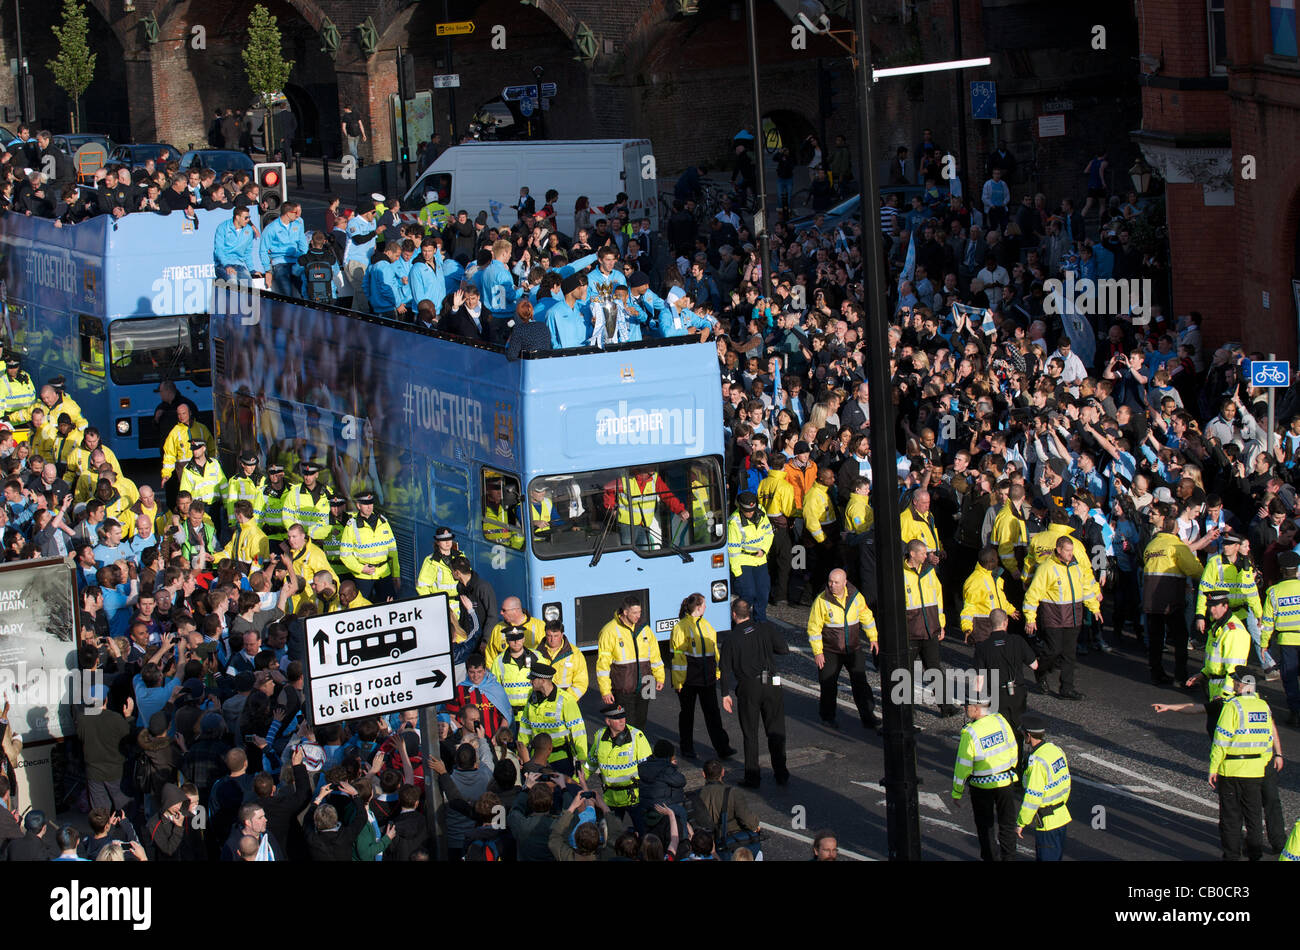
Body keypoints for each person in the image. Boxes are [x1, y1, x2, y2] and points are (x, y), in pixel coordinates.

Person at [1209, 667, 1279, 861]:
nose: (1234, 684)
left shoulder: (1232, 706)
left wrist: (1213, 768)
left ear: (1242, 684)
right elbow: (1268, 740)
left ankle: (1232, 856)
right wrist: (1261, 763)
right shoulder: (1263, 706)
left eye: (1236, 681)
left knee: (1231, 818)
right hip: (1255, 771)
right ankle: (1254, 855)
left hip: (1231, 770)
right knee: (1254, 816)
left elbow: (1221, 741)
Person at [720, 598, 789, 789]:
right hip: (772, 683)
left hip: (749, 687)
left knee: (750, 733)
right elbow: (783, 649)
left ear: (734, 615)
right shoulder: (765, 629)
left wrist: (725, 694)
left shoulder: (731, 639)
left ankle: (753, 776)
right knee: (775, 729)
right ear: (749, 612)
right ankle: (781, 772)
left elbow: (724, 669)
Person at [1022, 536, 1100, 700]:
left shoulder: (1075, 567)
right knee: (1053, 650)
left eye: (1072, 550)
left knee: (1069, 654)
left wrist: (1094, 608)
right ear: (1058, 550)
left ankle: (1067, 688)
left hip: (1073, 616)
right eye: (1067, 550)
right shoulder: (1047, 568)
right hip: (1053, 616)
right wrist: (1030, 618)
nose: (1071, 554)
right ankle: (1040, 671)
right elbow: (1033, 594)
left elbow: (1085, 588)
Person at [807, 568, 880, 730]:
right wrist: (818, 652)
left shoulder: (855, 597)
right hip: (830, 650)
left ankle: (868, 716)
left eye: (836, 582)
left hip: (853, 648)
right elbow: (814, 628)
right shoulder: (821, 600)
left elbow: (866, 616)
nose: (832, 585)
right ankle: (828, 717)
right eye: (830, 582)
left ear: (845, 583)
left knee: (860, 683)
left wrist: (873, 637)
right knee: (828, 684)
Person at [951, 694, 1019, 861]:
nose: (965, 709)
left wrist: (957, 791)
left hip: (981, 787)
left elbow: (963, 766)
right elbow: (1013, 748)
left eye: (967, 705)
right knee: (1008, 825)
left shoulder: (970, 732)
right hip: (1005, 783)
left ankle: (990, 858)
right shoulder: (1001, 720)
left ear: (976, 707)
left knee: (985, 827)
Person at [1144, 506, 1205, 684]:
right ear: (1176, 529)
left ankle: (1156, 673)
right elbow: (1194, 569)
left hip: (1151, 599)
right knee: (1180, 637)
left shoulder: (1152, 544)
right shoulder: (1177, 546)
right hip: (1171, 600)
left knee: (1156, 638)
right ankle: (1180, 674)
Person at [670, 592, 734, 759]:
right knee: (687, 715)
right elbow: (677, 658)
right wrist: (678, 682)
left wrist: (717, 671)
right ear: (698, 608)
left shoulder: (706, 625)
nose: (706, 607)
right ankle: (687, 748)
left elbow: (714, 651)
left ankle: (723, 747)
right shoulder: (680, 628)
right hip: (688, 681)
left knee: (713, 714)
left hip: (707, 679)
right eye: (704, 604)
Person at [971, 608, 1038, 755]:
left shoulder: (982, 647)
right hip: (1017, 692)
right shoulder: (1017, 641)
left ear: (990, 623)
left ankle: (1002, 763)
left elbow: (979, 682)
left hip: (996, 695)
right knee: (1018, 730)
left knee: (999, 731)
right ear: (1006, 622)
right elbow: (1034, 665)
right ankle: (1017, 767)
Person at [903, 540, 957, 716]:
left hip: (929, 629)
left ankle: (946, 706)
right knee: (906, 673)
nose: (926, 556)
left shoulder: (929, 572)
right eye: (923, 553)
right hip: (910, 632)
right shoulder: (900, 574)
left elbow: (938, 598)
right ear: (912, 554)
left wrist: (940, 623)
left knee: (934, 669)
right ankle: (907, 711)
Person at [595, 595, 664, 730]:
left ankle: (639, 750)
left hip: (646, 684)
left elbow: (655, 655)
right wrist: (605, 691)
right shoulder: (609, 631)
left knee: (642, 722)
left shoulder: (644, 629)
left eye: (639, 612)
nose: (638, 616)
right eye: (634, 613)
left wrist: (660, 677)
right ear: (625, 612)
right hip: (623, 688)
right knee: (628, 725)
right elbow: (603, 665)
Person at [1187, 592, 1252, 736]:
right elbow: (1215, 658)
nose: (1212, 610)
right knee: (1213, 731)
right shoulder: (1217, 625)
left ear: (1225, 605)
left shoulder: (1233, 631)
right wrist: (1203, 673)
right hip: (1214, 689)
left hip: (1225, 695)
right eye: (1210, 606)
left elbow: (1234, 669)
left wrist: (1224, 695)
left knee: (1222, 736)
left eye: (1215, 606)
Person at [586, 703, 653, 828]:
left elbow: (648, 769)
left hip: (634, 799)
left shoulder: (636, 736)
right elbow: (590, 764)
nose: (622, 721)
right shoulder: (599, 736)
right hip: (611, 799)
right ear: (608, 721)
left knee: (643, 833)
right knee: (613, 837)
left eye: (623, 717)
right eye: (617, 718)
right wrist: (575, 781)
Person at [516, 662, 587, 777]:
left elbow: (578, 731)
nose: (530, 682)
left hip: (560, 758)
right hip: (537, 758)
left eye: (533, 679)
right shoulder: (531, 698)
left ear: (543, 680)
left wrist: (581, 758)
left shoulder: (566, 700)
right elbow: (525, 728)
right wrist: (520, 752)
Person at [1016, 716, 1072, 861]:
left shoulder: (1037, 762)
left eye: (1023, 734)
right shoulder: (1056, 750)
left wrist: (1022, 822)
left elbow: (1032, 797)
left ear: (1028, 735)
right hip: (1062, 816)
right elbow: (1066, 782)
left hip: (1047, 824)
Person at [1261, 551, 1300, 726]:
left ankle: (1296, 713)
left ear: (1282, 570)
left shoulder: (1274, 593)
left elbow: (1268, 623)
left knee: (1290, 679)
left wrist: (1264, 644)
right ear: (1297, 570)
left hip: (1287, 642)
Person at [339, 490, 400, 602]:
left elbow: (393, 551)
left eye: (371, 503)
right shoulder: (351, 526)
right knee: (362, 609)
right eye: (365, 504)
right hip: (363, 577)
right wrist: (361, 569)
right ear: (358, 505)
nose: (369, 507)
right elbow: (345, 555)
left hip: (384, 574)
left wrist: (396, 574)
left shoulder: (383, 522)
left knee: (390, 606)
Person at [727, 491, 773, 624]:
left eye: (752, 510)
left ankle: (761, 624)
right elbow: (733, 551)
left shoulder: (761, 512)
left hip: (760, 560)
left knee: (763, 595)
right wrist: (738, 574)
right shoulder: (734, 522)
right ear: (740, 508)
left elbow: (769, 533)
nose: (751, 513)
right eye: (747, 511)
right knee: (748, 596)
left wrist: (764, 550)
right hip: (743, 562)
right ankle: (740, 625)